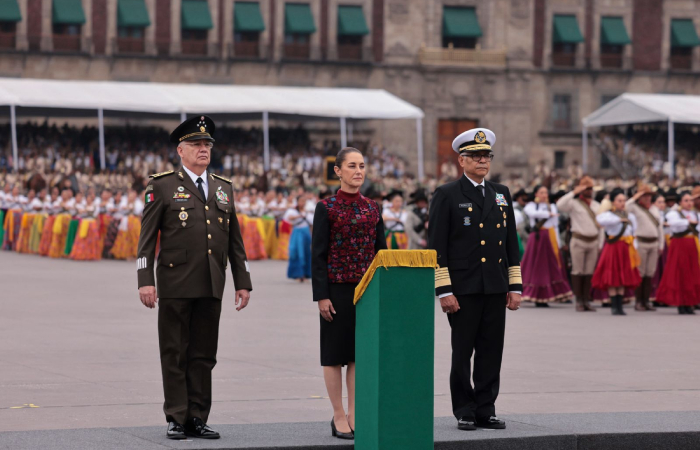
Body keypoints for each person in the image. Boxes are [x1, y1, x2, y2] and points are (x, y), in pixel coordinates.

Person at [136, 115, 253, 440]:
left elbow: (235, 241)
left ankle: (198, 416)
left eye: (207, 145)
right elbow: (146, 238)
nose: (203, 150)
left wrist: (243, 280)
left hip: (211, 282)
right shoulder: (162, 185)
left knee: (203, 354)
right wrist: (145, 279)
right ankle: (176, 416)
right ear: (181, 150)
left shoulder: (223, 187)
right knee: (174, 352)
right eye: (196, 145)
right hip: (174, 284)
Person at [428, 128, 521, 431]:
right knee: (463, 351)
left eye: (486, 156)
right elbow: (437, 246)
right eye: (475, 156)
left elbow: (510, 243)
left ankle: (486, 408)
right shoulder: (447, 194)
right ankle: (464, 409)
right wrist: (444, 289)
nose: (482, 161)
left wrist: (514, 286)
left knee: (491, 350)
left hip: (494, 285)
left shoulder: (500, 192)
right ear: (461, 160)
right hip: (463, 288)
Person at [311, 147, 386, 440]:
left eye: (362, 166)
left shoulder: (373, 207)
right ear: (338, 171)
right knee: (333, 356)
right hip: (336, 291)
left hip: (366, 292)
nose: (358, 171)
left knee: (358, 356)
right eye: (352, 166)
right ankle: (338, 414)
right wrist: (321, 295)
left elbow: (382, 253)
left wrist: (384, 291)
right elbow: (318, 255)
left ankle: (355, 412)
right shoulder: (326, 208)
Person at [591, 189, 642, 316]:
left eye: (624, 200)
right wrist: (619, 220)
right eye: (619, 201)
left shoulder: (629, 216)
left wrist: (635, 247)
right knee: (613, 276)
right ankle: (614, 305)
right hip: (613, 247)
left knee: (623, 276)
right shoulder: (609, 215)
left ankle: (620, 305)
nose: (622, 203)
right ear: (613, 202)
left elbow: (633, 232)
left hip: (626, 247)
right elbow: (601, 221)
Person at [521, 185, 572, 306]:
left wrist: (557, 242)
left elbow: (554, 225)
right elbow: (532, 214)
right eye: (541, 192)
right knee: (535, 265)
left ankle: (552, 294)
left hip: (549, 237)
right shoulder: (531, 206)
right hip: (538, 237)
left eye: (546, 192)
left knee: (551, 265)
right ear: (536, 194)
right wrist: (548, 214)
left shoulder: (552, 206)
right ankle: (533, 293)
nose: (544, 195)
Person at [556, 176, 601, 312]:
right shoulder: (574, 203)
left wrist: (600, 243)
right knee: (578, 271)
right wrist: (574, 192)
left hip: (593, 241)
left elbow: (601, 226)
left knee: (589, 272)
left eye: (591, 188)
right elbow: (560, 205)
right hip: (579, 240)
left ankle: (586, 300)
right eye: (586, 188)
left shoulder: (596, 205)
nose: (589, 191)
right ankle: (579, 301)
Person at [656, 191, 700, 314]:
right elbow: (673, 223)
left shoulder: (695, 214)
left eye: (690, 200)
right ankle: (681, 302)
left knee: (692, 273)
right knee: (680, 272)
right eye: (686, 200)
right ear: (680, 202)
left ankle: (690, 302)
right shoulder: (674, 213)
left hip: (692, 245)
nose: (689, 203)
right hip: (680, 245)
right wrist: (688, 222)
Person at [625, 185, 663, 311]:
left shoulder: (654, 209)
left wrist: (661, 244)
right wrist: (636, 196)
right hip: (641, 242)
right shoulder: (635, 208)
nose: (647, 198)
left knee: (650, 272)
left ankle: (646, 301)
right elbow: (627, 206)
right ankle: (638, 301)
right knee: (640, 272)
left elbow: (660, 228)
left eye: (649, 195)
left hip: (653, 243)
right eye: (645, 195)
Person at [285, 194, 313, 282]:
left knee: (306, 252)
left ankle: (305, 274)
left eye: (304, 201)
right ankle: (297, 274)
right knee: (296, 252)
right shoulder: (292, 211)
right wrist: (299, 216)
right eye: (301, 201)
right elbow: (288, 218)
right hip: (297, 232)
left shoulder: (308, 212)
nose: (303, 203)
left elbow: (311, 224)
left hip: (306, 233)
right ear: (297, 202)